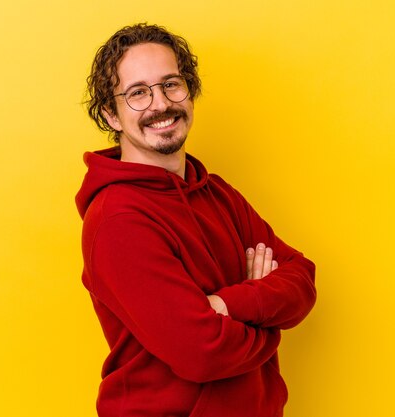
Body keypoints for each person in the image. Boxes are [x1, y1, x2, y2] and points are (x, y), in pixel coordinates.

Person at [76, 23, 316, 417]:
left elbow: (302, 278)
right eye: (137, 93)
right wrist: (269, 319)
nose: (160, 104)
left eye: (171, 84)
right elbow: (202, 354)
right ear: (111, 115)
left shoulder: (217, 193)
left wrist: (227, 303)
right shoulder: (118, 219)